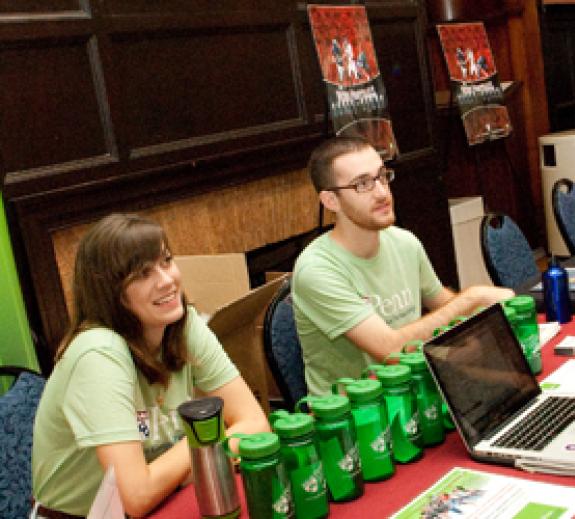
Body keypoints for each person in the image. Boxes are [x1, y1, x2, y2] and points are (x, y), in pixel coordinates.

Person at [31, 214, 269, 518]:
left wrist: (182, 463)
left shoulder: (181, 323)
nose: (167, 280)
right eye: (143, 274)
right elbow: (136, 495)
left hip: (163, 502)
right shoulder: (98, 354)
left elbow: (255, 423)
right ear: (110, 293)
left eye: (166, 261)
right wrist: (203, 442)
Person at [291, 137, 514, 395]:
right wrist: (473, 297)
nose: (382, 193)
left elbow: (443, 304)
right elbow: (390, 350)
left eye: (382, 176)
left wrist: (472, 333)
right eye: (362, 184)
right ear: (331, 201)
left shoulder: (403, 242)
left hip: (416, 388)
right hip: (357, 416)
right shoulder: (317, 270)